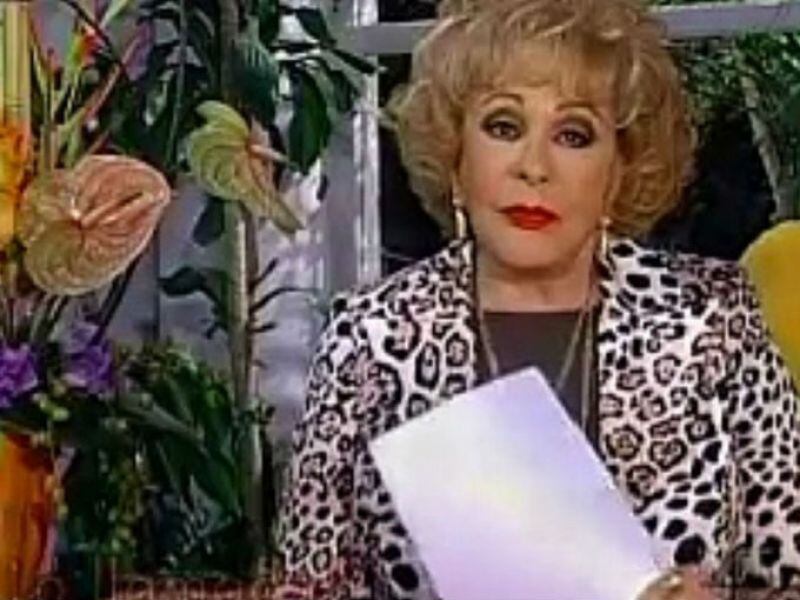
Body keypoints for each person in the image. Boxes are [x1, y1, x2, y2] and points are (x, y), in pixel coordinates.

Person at [276, 0, 800, 598]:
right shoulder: (368, 343)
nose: (533, 166)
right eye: (503, 126)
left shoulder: (714, 324)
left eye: (573, 134)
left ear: (619, 170)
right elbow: (307, 588)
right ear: (456, 157)